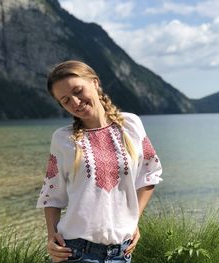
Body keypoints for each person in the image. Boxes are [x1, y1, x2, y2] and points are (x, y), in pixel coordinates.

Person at [36, 60, 162, 263]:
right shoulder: (62, 139)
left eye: (78, 90)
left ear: (95, 83)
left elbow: (150, 174)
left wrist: (133, 221)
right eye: (66, 101)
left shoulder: (131, 125)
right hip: (74, 251)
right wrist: (52, 237)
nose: (75, 102)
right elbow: (52, 194)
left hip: (122, 251)